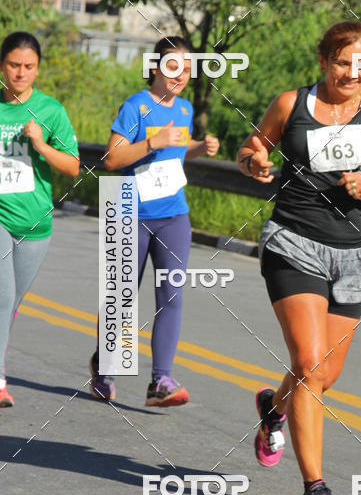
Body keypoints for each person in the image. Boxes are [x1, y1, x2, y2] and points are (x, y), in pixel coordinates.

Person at [236, 21, 361, 495]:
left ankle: (273, 409)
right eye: (343, 62)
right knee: (310, 360)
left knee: (322, 375)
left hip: (357, 254)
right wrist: (253, 161)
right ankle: (314, 490)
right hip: (294, 243)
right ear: (324, 61)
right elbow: (252, 150)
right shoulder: (289, 105)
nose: (352, 73)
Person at [89, 36, 219, 407]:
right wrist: (151, 142)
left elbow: (177, 151)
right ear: (156, 68)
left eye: (187, 70)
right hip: (128, 208)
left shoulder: (184, 109)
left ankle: (160, 381)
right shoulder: (136, 107)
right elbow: (112, 160)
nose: (181, 76)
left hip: (173, 214)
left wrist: (200, 147)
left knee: (172, 297)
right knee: (121, 298)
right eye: (173, 67)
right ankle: (106, 370)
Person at [0, 31, 80, 407]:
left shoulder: (51, 111)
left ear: (37, 69)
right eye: (14, 65)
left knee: (10, 305)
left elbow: (73, 168)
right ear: (3, 65)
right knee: (2, 298)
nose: (20, 73)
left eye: (28, 66)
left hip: (35, 224)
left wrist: (41, 145)